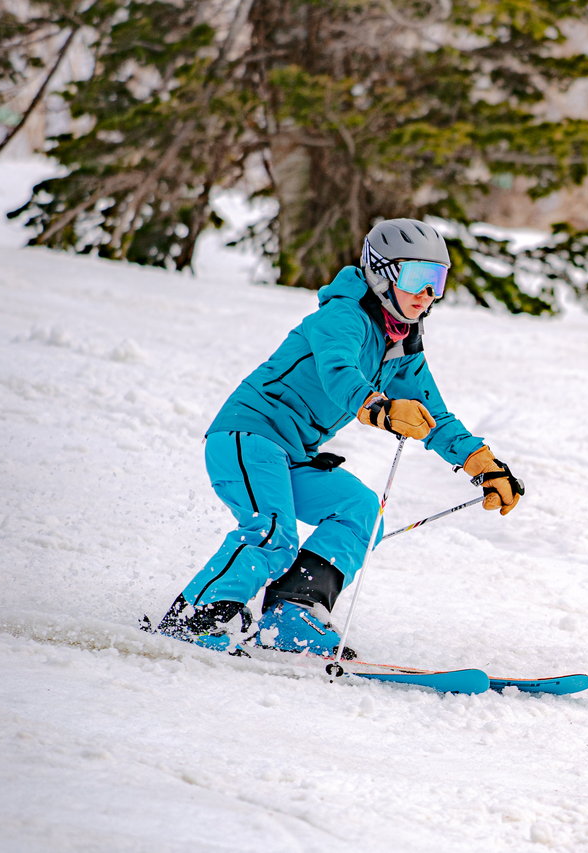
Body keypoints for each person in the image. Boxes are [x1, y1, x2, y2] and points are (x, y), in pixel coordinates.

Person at [155, 218, 523, 657]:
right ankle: (193, 618)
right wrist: (379, 408)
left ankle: (294, 615)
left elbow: (435, 417)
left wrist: (483, 464)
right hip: (247, 436)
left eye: (437, 281)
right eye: (417, 278)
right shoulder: (342, 315)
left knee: (360, 510)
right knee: (273, 534)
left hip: (293, 453)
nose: (428, 294)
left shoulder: (401, 344)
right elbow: (339, 373)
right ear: (382, 274)